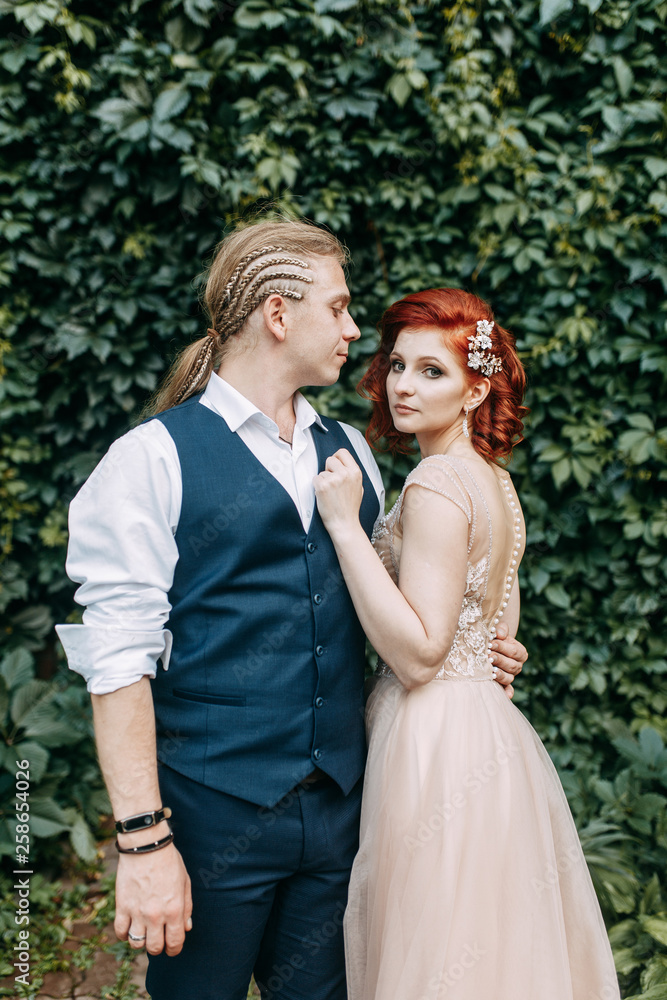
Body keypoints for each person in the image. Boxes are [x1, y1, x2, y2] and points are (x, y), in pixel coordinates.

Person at [55, 221, 528, 1000]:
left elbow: (401, 611)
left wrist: (476, 650)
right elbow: (116, 665)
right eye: (338, 308)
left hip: (346, 813)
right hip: (211, 819)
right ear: (278, 315)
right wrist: (143, 843)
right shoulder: (151, 458)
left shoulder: (353, 452)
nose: (354, 331)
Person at [313, 288, 620, 1000]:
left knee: (437, 945)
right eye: (397, 365)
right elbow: (497, 626)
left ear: (475, 389)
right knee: (487, 943)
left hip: (434, 739)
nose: (403, 386)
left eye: (432, 372)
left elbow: (421, 654)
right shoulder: (495, 482)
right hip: (489, 732)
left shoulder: (437, 481)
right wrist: (496, 655)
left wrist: (344, 528)